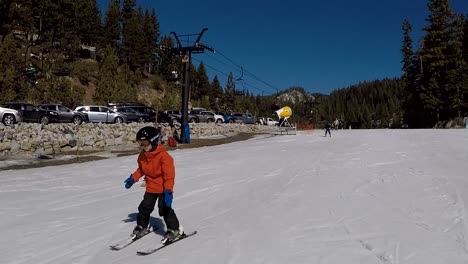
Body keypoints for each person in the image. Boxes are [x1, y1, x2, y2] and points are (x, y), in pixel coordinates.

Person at [124, 126, 184, 244]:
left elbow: (169, 177)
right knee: (144, 208)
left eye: (145, 142)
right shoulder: (143, 156)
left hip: (163, 188)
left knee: (165, 209)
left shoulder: (165, 157)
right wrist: (133, 178)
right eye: (140, 142)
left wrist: (168, 191)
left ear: (154, 141)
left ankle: (175, 229)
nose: (142, 146)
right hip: (151, 187)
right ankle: (142, 226)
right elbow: (141, 170)